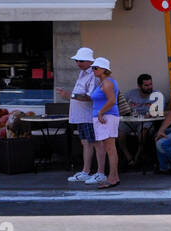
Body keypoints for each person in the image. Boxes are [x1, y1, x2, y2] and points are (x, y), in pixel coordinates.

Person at [57, 47, 99, 183]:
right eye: (76, 61)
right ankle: (86, 171)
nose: (78, 63)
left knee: (92, 143)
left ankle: (95, 171)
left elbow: (90, 97)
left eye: (81, 60)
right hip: (81, 115)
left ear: (89, 61)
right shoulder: (83, 73)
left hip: (87, 115)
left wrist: (69, 95)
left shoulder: (93, 75)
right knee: (86, 143)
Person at [89, 56, 121, 189]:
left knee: (110, 148)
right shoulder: (103, 83)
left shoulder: (107, 83)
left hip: (107, 116)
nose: (93, 70)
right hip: (104, 117)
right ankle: (114, 176)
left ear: (103, 70)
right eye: (93, 68)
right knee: (109, 147)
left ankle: (113, 177)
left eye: (95, 68)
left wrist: (101, 112)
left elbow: (112, 100)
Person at [118, 73, 158, 166]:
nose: (149, 87)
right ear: (139, 86)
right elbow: (120, 103)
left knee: (143, 132)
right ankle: (128, 157)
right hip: (132, 120)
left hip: (146, 121)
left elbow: (159, 111)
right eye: (146, 85)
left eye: (150, 84)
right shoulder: (131, 94)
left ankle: (138, 156)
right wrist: (125, 111)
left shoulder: (157, 95)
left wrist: (152, 114)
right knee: (120, 132)